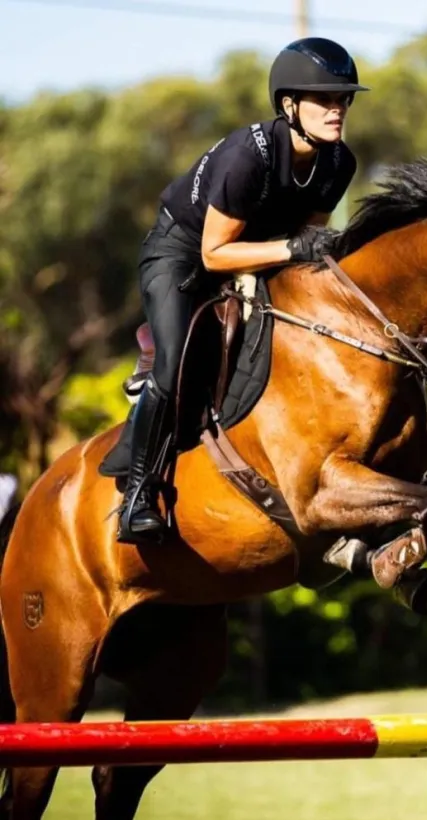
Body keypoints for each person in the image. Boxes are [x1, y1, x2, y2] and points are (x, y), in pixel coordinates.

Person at [115, 36, 367, 546]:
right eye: (325, 100)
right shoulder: (246, 158)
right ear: (290, 106)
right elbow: (215, 255)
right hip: (183, 254)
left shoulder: (339, 163)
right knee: (175, 360)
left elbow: (310, 242)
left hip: (256, 251)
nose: (337, 110)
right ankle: (137, 495)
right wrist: (292, 250)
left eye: (343, 99)